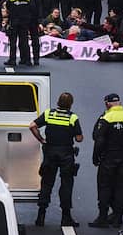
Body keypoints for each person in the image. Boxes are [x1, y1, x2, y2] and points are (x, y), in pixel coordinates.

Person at [29, 92, 84, 227]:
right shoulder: (72, 118)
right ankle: (66, 217)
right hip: (66, 153)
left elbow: (32, 125)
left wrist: (42, 140)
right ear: (71, 104)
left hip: (50, 152)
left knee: (47, 183)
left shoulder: (49, 114)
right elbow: (79, 138)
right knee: (66, 184)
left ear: (58, 102)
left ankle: (41, 216)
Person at [89, 93, 123, 227]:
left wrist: (96, 157)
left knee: (104, 187)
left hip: (108, 159)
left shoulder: (106, 118)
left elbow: (98, 139)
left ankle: (102, 218)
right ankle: (118, 217)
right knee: (120, 188)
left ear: (107, 103)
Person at [5, 0, 41, 66]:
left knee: (13, 41)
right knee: (26, 40)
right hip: (28, 20)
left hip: (15, 20)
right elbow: (36, 8)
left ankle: (15, 59)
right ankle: (30, 60)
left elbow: (8, 7)